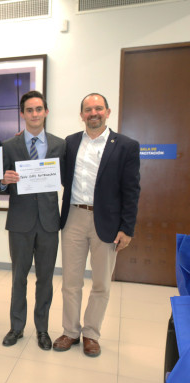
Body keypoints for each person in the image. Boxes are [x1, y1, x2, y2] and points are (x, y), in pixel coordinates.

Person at [53, 93, 140, 357]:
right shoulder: (70, 142)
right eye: (88, 109)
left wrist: (127, 228)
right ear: (81, 115)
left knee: (101, 283)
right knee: (71, 281)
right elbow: (56, 174)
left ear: (107, 112)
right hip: (74, 217)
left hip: (108, 222)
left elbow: (131, 190)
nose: (93, 113)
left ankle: (91, 333)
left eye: (98, 108)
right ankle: (70, 331)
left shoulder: (126, 145)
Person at [0, 91, 65, 350]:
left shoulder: (60, 145)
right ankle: (16, 327)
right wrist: (3, 181)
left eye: (39, 109)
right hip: (20, 221)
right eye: (29, 110)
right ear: (22, 114)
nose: (34, 114)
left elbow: (66, 179)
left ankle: (42, 329)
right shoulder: (9, 146)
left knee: (46, 279)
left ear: (46, 112)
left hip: (49, 222)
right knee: (19, 277)